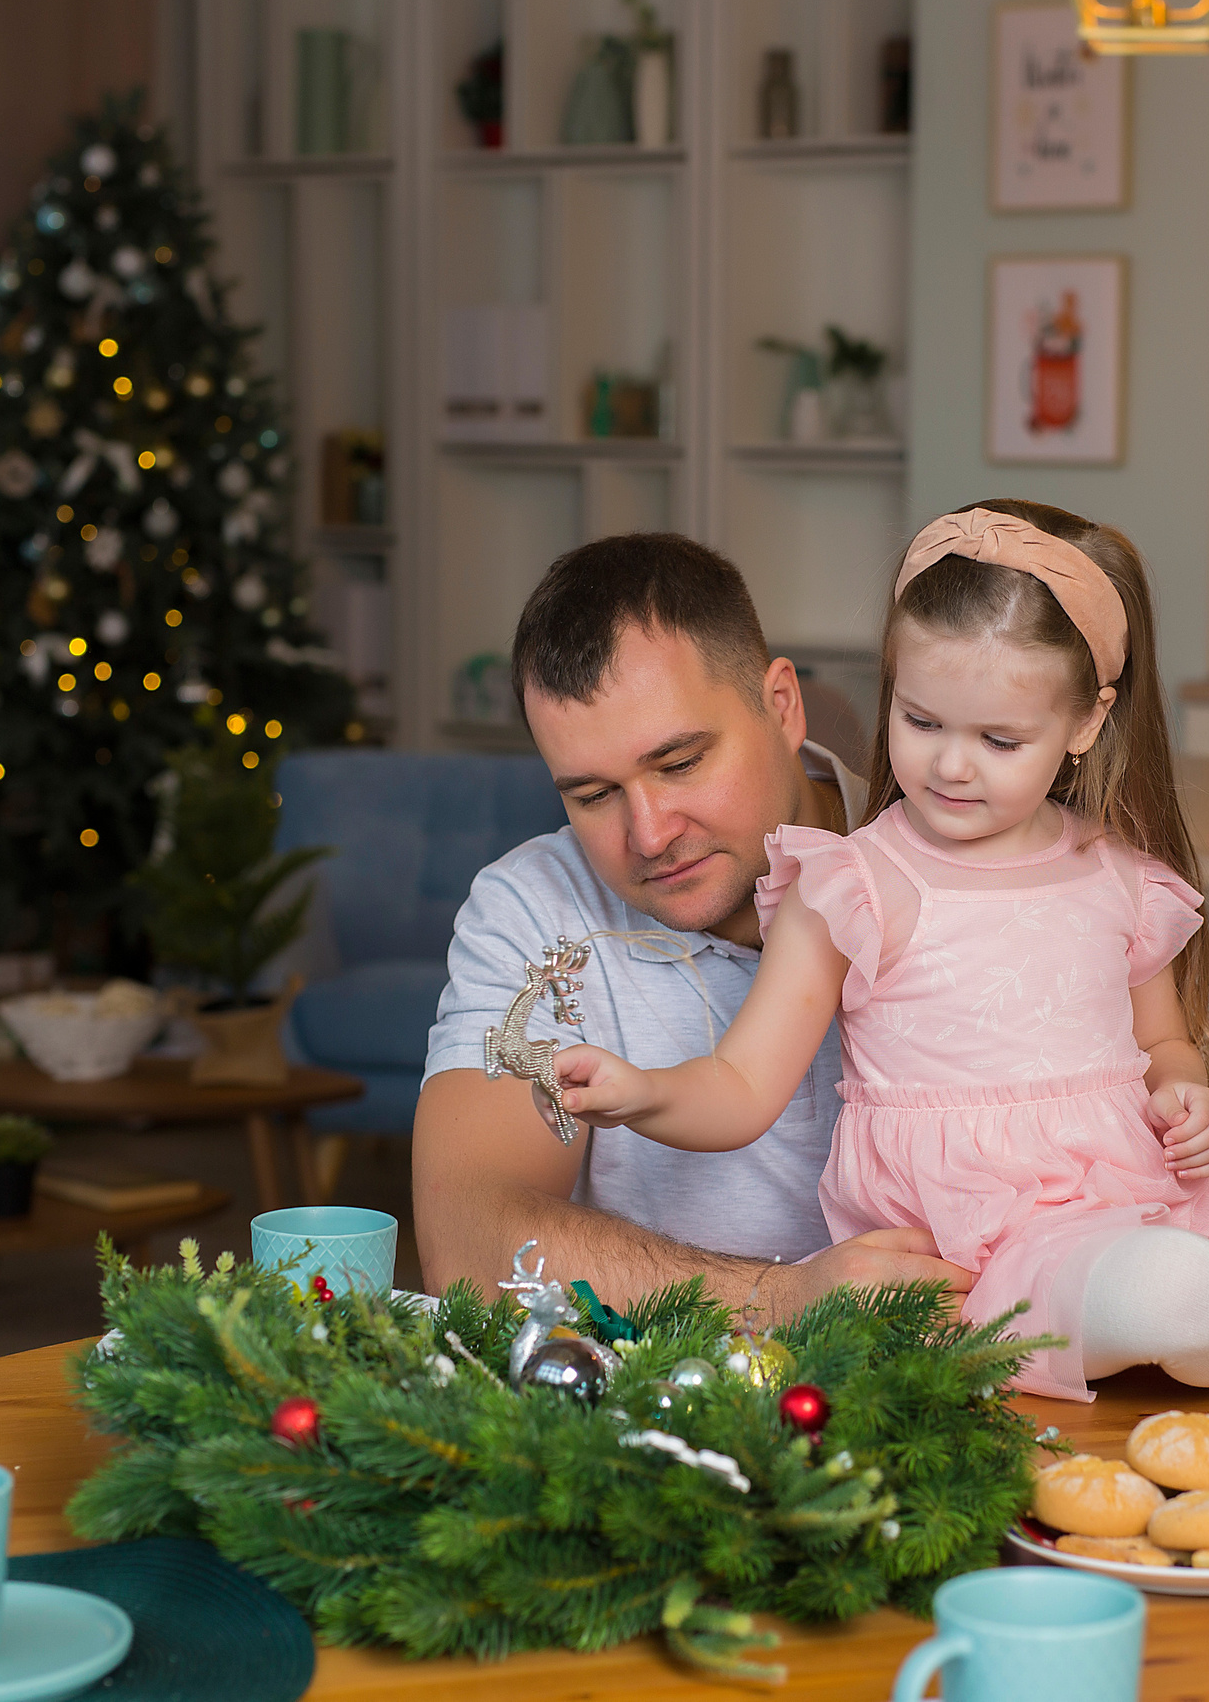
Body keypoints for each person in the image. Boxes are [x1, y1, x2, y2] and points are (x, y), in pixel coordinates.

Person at [549, 500, 1209, 1400]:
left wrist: (1185, 1093)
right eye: (920, 722)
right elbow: (743, 1087)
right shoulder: (852, 884)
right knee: (1179, 1296)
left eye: (1000, 738)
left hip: (1150, 1188)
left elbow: (1161, 1044)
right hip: (993, 1251)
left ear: (1085, 724)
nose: (951, 765)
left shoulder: (1117, 874)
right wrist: (644, 1093)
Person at [412, 532, 972, 1317]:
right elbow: (470, 1246)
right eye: (592, 795)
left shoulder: (955, 862)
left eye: (678, 764)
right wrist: (783, 1298)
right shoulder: (532, 905)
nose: (648, 834)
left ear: (781, 706)